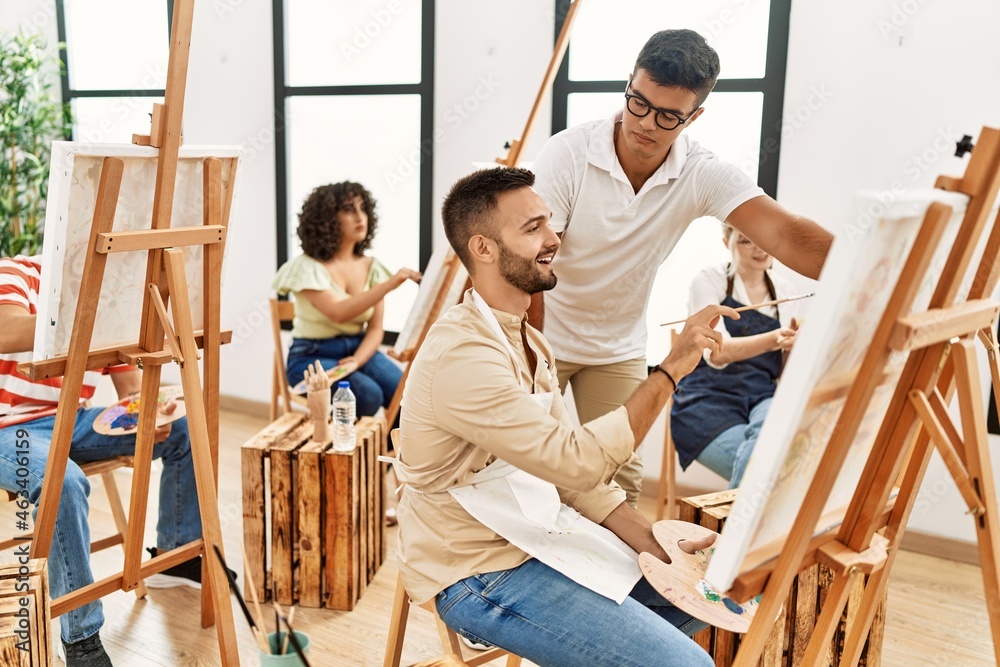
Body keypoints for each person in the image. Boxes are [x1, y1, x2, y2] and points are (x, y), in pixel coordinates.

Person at [395, 167, 739, 667]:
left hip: (535, 536)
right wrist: (670, 371)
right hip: (474, 570)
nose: (554, 238)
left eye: (550, 223)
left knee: (700, 599)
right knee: (688, 664)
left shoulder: (530, 342)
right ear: (483, 248)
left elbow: (580, 486)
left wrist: (662, 549)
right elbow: (575, 464)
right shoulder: (463, 353)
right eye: (532, 228)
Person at [529, 29, 833, 506]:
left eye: (669, 115)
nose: (647, 124)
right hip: (543, 329)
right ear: (630, 83)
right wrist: (533, 358)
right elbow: (533, 263)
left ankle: (612, 580)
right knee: (525, 468)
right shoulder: (568, 154)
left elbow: (783, 232)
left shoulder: (699, 173)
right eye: (639, 103)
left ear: (695, 116)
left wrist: (872, 270)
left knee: (618, 481)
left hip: (616, 345)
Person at [0, 256, 210, 667]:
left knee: (184, 428)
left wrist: (148, 416)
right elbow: (7, 331)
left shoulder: (112, 294)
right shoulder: (18, 272)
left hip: (72, 421)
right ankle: (81, 639)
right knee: (63, 481)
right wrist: (99, 318)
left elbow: (130, 390)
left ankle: (178, 556)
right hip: (10, 428)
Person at [272, 181, 420, 420]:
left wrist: (357, 360)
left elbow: (375, 329)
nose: (360, 217)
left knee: (408, 394)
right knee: (368, 395)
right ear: (328, 218)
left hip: (360, 348)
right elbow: (339, 312)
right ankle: (345, 451)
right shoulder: (306, 267)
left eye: (363, 208)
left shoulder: (372, 267)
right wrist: (389, 285)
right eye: (350, 210)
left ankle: (384, 452)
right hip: (311, 355)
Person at [670, 225, 799, 488]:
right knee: (767, 473)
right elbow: (717, 353)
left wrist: (794, 347)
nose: (760, 248)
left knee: (778, 438)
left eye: (765, 239)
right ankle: (735, 527)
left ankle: (727, 526)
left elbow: (784, 373)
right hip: (707, 401)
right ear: (725, 241)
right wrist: (775, 339)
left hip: (761, 396)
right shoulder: (709, 281)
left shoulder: (786, 291)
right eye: (746, 241)